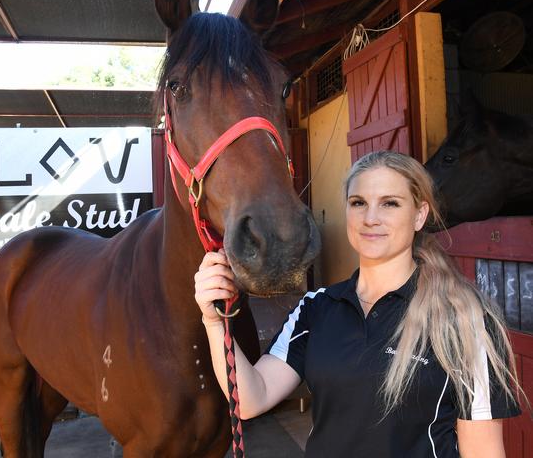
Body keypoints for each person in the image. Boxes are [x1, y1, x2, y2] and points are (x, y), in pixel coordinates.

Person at [195, 150, 522, 457]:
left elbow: (483, 451)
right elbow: (252, 398)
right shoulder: (316, 308)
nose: (371, 218)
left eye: (390, 203)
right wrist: (214, 322)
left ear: (419, 214)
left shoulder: (463, 319)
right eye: (358, 202)